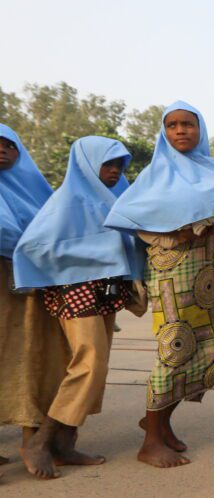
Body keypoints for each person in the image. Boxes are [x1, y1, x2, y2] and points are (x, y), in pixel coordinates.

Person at [105, 101, 214, 468]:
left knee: (213, 346)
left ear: (201, 129)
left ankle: (162, 424)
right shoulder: (153, 178)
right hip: (174, 273)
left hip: (212, 268)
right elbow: (132, 219)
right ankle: (151, 440)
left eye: (188, 124)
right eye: (172, 125)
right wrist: (182, 229)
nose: (181, 130)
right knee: (175, 349)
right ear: (164, 132)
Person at [14, 136, 143, 479]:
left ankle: (66, 443)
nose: (115, 171)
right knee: (91, 364)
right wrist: (91, 256)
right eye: (108, 163)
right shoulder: (66, 202)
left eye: (120, 165)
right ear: (87, 163)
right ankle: (40, 441)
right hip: (77, 291)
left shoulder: (114, 201)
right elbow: (33, 247)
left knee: (96, 368)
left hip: (107, 290)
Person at [0, 124, 69, 479]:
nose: (1, 150)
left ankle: (34, 438)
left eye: (8, 145)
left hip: (32, 291)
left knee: (32, 359)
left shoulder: (38, 192)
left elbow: (57, 229)